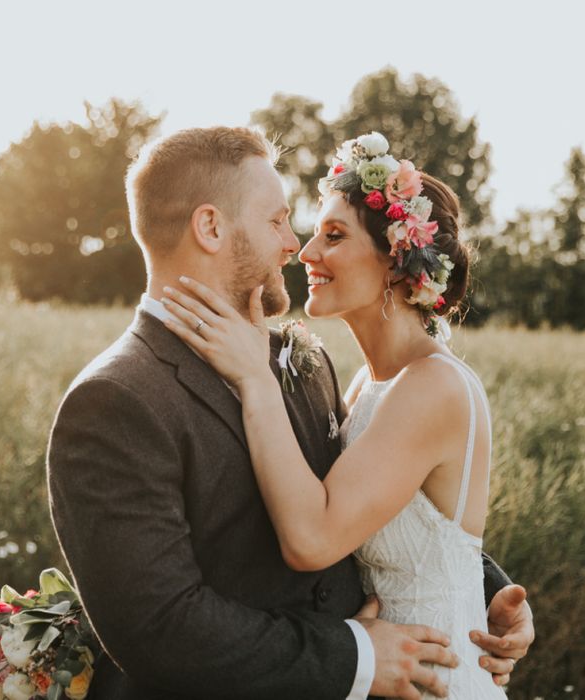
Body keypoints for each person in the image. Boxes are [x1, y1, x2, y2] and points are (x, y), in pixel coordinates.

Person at [47, 127, 533, 699]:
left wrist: (483, 594)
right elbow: (162, 629)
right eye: (277, 221)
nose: (293, 246)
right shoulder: (115, 400)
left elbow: (371, 500)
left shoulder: (301, 359)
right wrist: (357, 658)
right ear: (210, 227)